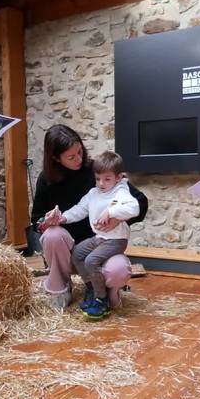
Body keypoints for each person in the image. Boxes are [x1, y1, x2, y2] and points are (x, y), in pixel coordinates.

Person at [31, 124, 148, 310]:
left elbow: (140, 202)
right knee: (53, 234)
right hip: (67, 252)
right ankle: (62, 288)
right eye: (71, 156)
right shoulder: (47, 180)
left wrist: (116, 217)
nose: (78, 159)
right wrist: (49, 222)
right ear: (56, 158)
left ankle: (105, 292)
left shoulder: (99, 171)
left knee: (118, 269)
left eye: (80, 151)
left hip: (102, 243)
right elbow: (38, 219)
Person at [44, 151, 139, 319]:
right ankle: (92, 287)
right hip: (100, 238)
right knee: (78, 254)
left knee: (91, 260)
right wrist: (63, 217)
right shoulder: (93, 193)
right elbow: (80, 209)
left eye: (107, 179)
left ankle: (101, 299)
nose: (101, 183)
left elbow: (134, 208)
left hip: (115, 241)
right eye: (98, 178)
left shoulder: (120, 192)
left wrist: (111, 212)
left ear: (118, 177)